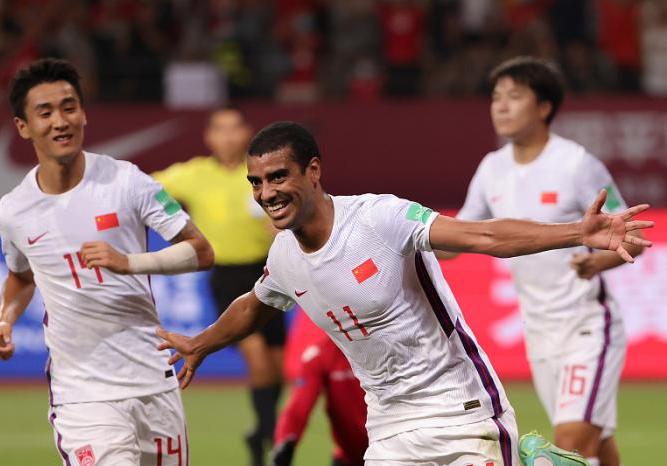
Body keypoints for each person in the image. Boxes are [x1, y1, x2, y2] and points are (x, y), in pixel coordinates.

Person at [156, 121, 652, 466]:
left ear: (313, 171)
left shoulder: (380, 217)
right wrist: (202, 343)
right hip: (389, 428)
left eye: (278, 177)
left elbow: (483, 236)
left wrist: (577, 232)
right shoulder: (284, 254)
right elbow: (256, 303)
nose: (266, 193)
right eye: (257, 182)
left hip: (464, 412)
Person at [0, 58, 214, 466]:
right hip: (82, 393)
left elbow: (201, 251)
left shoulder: (128, 181)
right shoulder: (14, 210)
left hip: (153, 380)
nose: (61, 121)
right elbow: (21, 277)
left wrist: (130, 263)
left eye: (69, 107)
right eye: (45, 112)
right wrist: (3, 320)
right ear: (23, 127)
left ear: (84, 113)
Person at [444, 56, 643, 466]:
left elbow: (633, 237)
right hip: (538, 332)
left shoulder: (576, 164)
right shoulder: (491, 169)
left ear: (544, 107)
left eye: (514, 96)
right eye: (496, 97)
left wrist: (597, 264)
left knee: (568, 443)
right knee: (596, 444)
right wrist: (410, 241)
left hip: (587, 325)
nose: (501, 106)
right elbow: (459, 239)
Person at [152, 108, 284, 466]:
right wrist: (175, 224)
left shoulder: (260, 172)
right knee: (258, 360)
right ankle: (273, 441)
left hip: (271, 272)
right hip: (227, 277)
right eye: (220, 130)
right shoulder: (193, 174)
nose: (227, 136)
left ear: (247, 133)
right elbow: (145, 189)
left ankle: (259, 433)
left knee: (277, 367)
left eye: (234, 128)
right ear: (209, 137)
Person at [270, 335, 368, 466]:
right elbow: (298, 407)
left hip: (390, 453)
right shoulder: (319, 354)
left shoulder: (386, 347)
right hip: (348, 458)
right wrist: (284, 442)